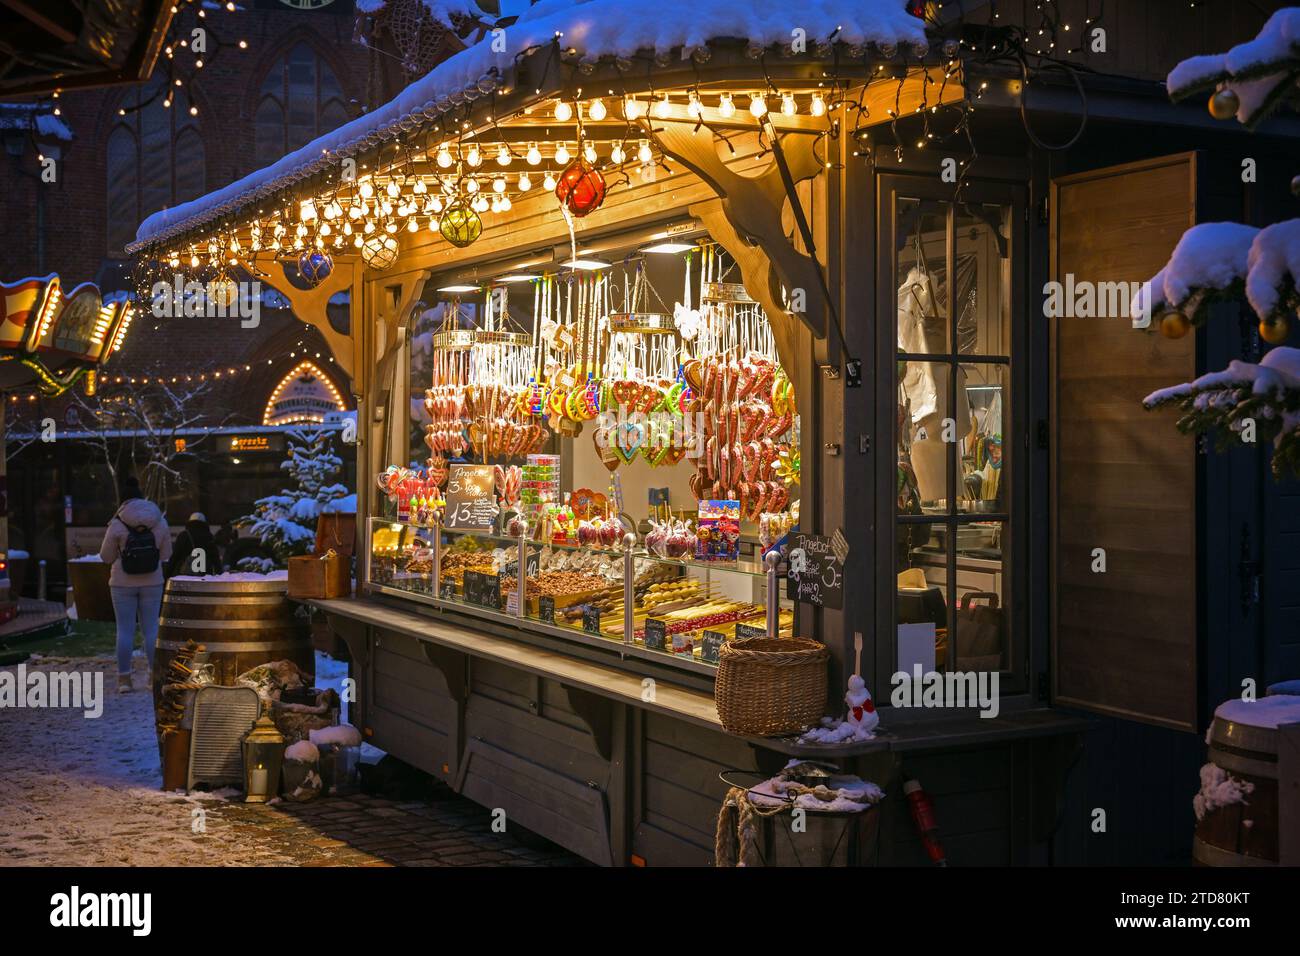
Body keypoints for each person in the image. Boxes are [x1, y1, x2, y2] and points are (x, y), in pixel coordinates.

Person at [99, 476, 172, 694]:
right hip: (152, 582)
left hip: (122, 584)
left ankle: (124, 681)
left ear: (123, 502)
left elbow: (105, 557)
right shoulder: (160, 522)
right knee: (151, 629)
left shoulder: (116, 524)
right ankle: (153, 677)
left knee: (125, 631)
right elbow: (166, 555)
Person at [167, 512, 223, 578]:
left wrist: (167, 575)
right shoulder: (209, 536)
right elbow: (215, 559)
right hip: (205, 576)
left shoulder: (184, 535)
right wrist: (219, 575)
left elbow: (175, 557)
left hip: (185, 575)